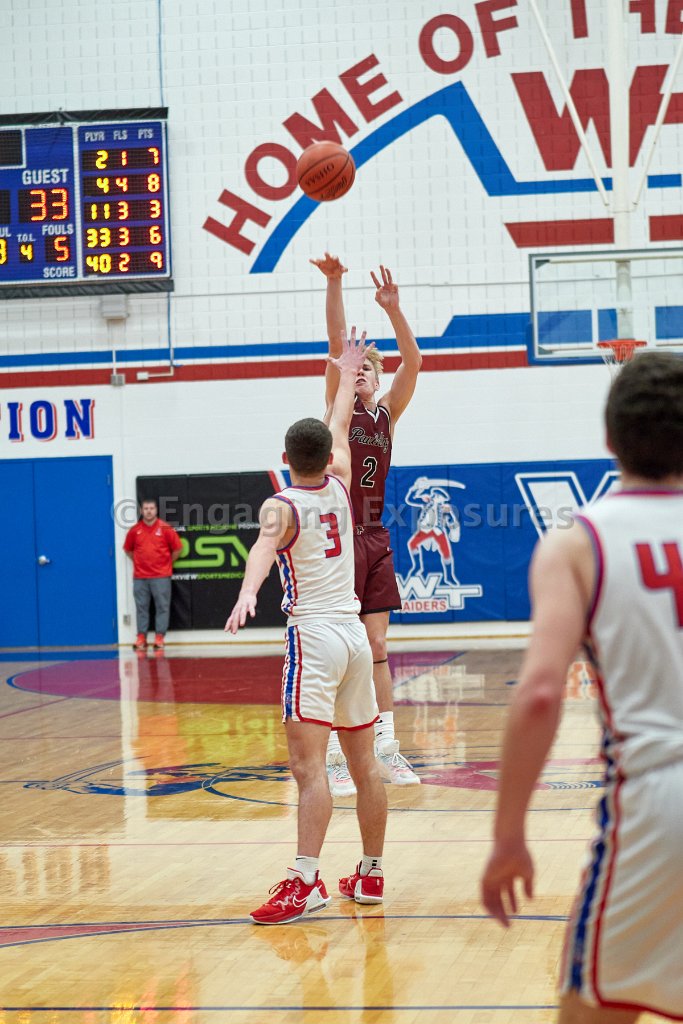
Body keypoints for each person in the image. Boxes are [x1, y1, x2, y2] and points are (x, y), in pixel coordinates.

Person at [481, 351, 683, 1023]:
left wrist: (508, 836)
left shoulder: (576, 540)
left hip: (656, 805)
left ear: (608, 439)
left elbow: (541, 692)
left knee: (592, 1008)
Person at [225, 330, 388, 925]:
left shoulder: (282, 505)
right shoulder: (343, 480)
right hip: (353, 636)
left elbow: (262, 551)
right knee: (365, 765)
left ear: (285, 457)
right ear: (326, 454)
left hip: (314, 637)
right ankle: (370, 873)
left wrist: (248, 593)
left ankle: (305, 881)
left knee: (309, 768)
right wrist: (346, 375)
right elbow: (339, 422)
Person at [310, 254, 422, 795]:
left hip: (374, 535)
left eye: (368, 370)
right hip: (337, 537)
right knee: (339, 649)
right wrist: (335, 284)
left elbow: (414, 361)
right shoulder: (339, 410)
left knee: (377, 645)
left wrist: (393, 310)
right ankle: (334, 755)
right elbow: (338, 343)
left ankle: (387, 747)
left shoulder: (387, 415)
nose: (361, 376)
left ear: (378, 378)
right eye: (355, 370)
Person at [123, 499, 183, 651]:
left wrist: (167, 563)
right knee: (141, 608)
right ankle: (141, 638)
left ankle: (159, 637)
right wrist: (138, 561)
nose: (149, 511)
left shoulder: (165, 528)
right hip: (140, 577)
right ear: (141, 511)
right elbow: (128, 550)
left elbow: (177, 548)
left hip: (161, 576)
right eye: (146, 508)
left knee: (162, 607)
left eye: (151, 508)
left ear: (156, 510)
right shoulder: (135, 530)